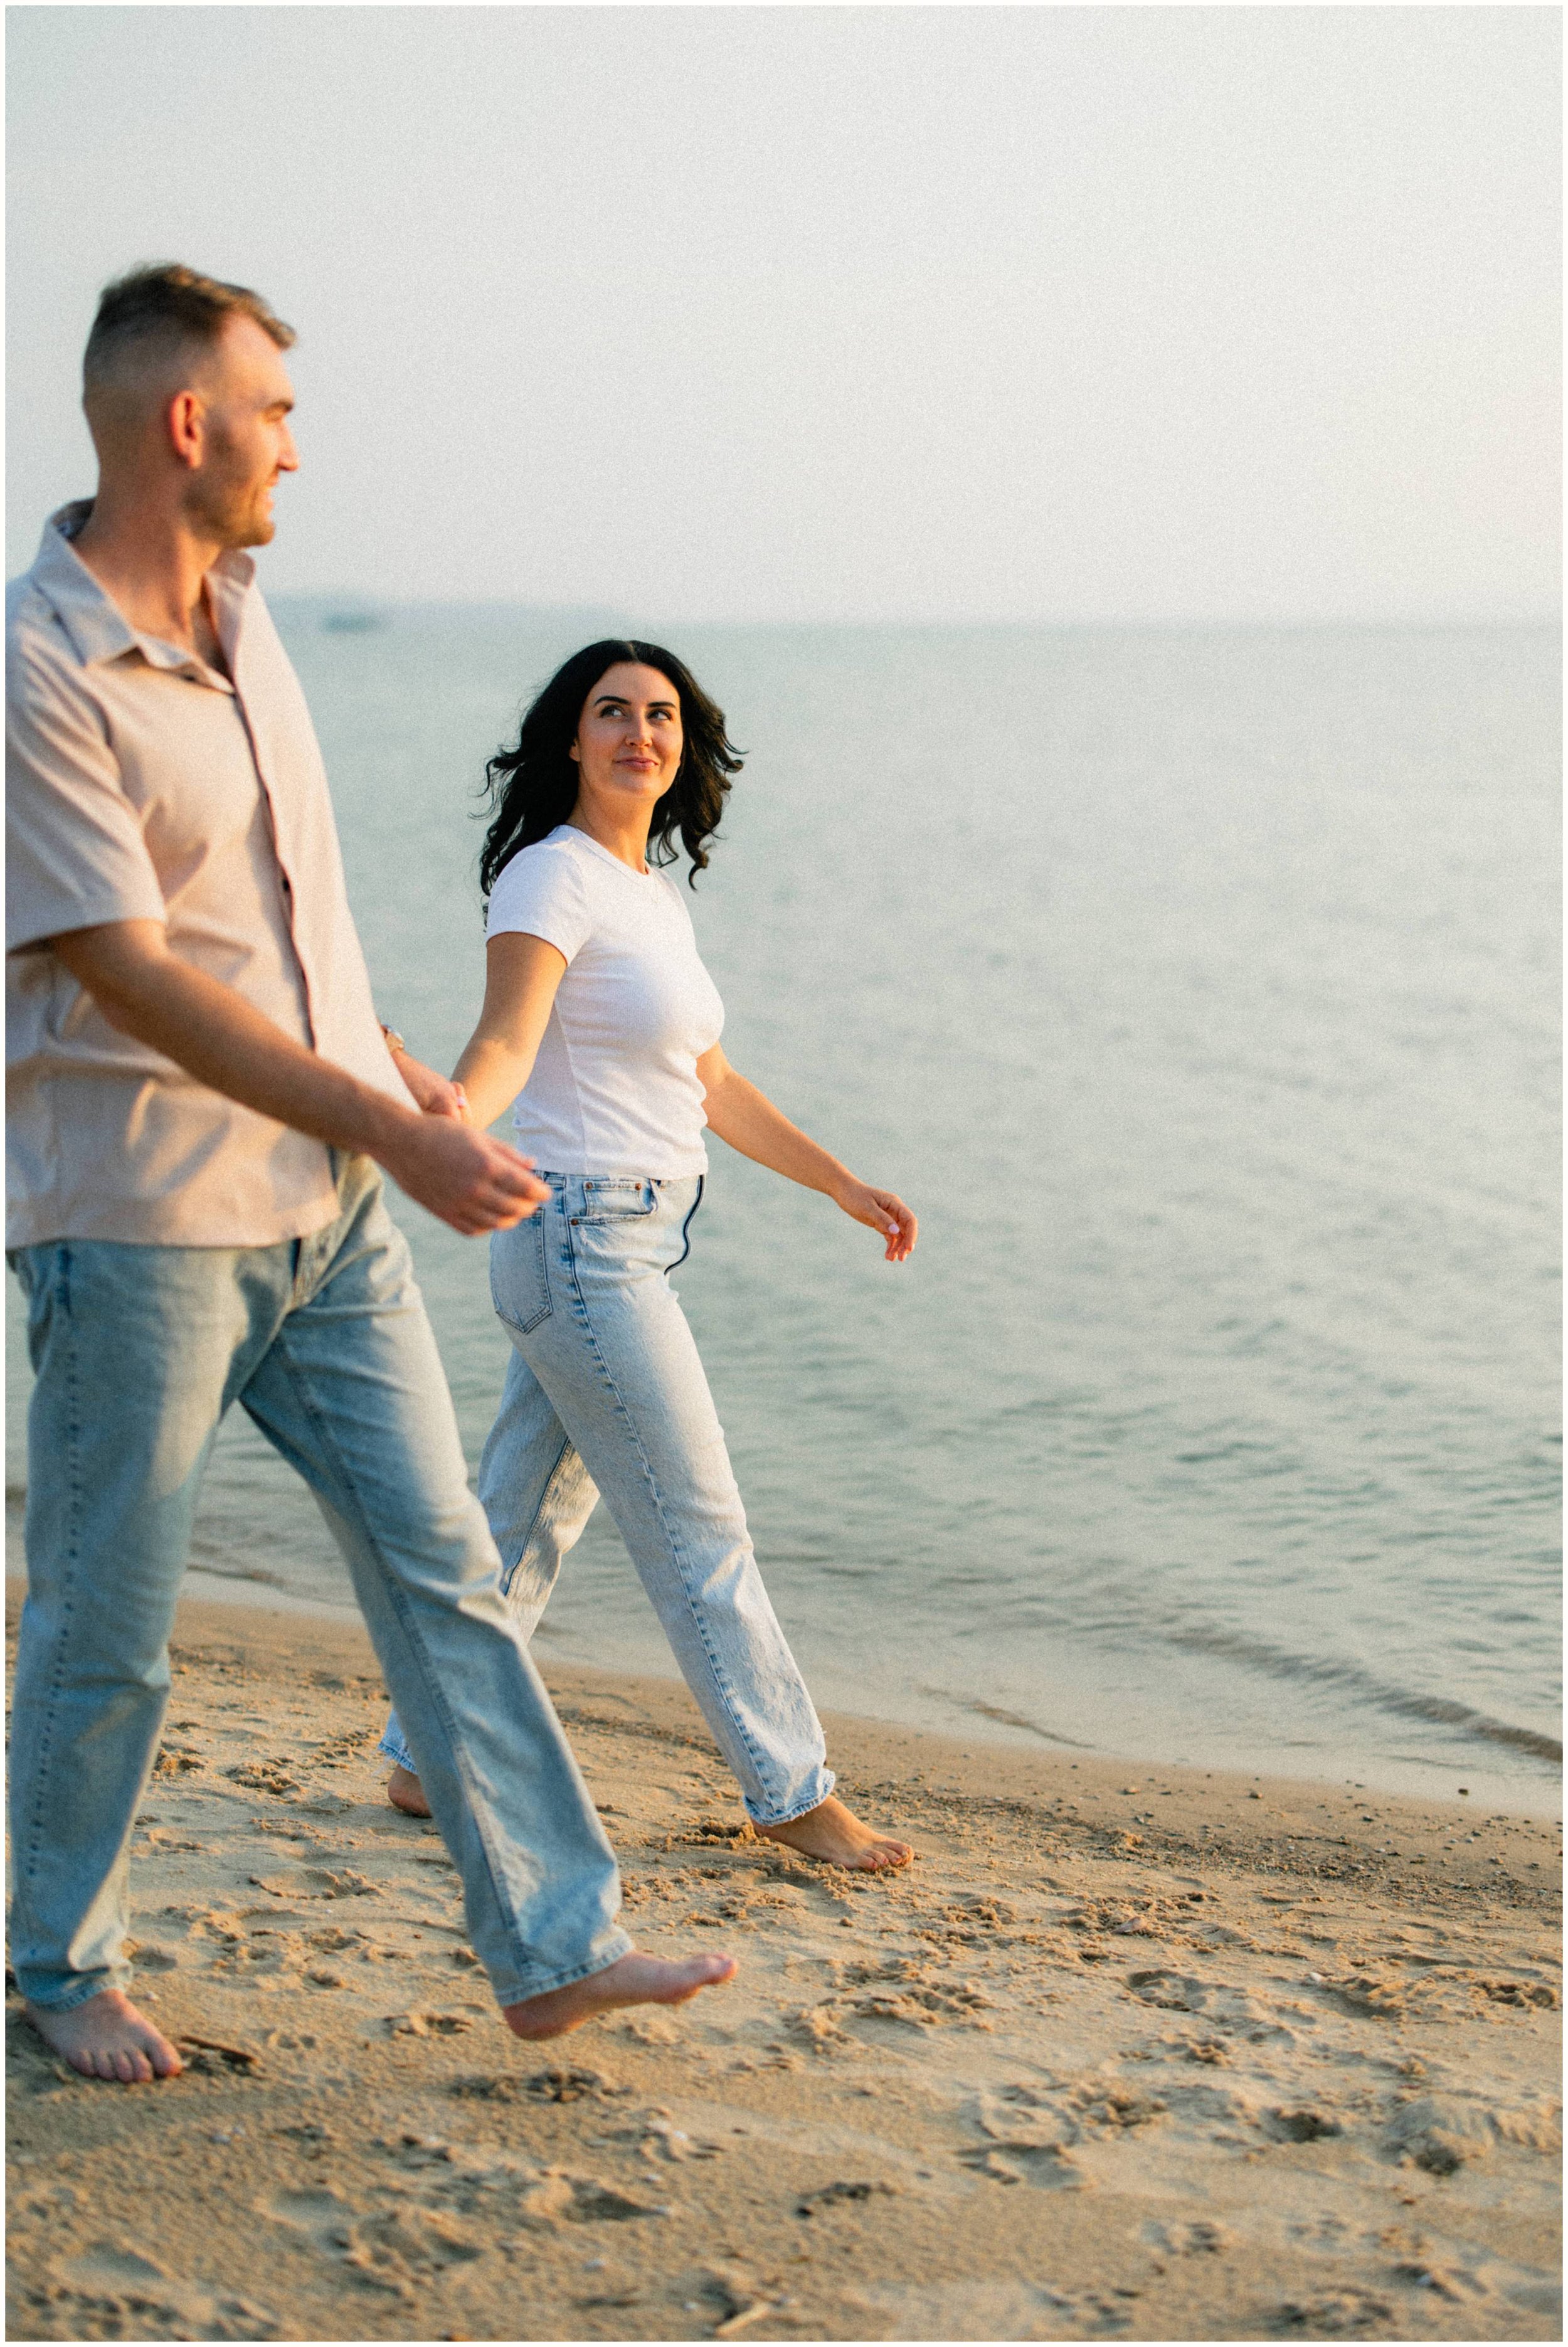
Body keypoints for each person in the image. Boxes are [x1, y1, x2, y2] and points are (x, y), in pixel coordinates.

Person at [5, 265, 736, 2085]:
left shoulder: (252, 627)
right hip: (143, 1222)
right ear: (189, 423)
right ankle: (55, 1958)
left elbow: (297, 946)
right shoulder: (40, 669)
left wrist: (413, 1101)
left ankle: (553, 1941)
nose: (294, 449)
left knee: (446, 1576)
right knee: (111, 1619)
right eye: (275, 410)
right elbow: (133, 973)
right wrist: (402, 1129)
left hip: (329, 1214)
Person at [378, 641, 918, 1872]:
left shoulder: (650, 895)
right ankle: (789, 1788)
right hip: (582, 1243)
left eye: (661, 713)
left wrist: (837, 1179)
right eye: (611, 711)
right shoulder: (548, 877)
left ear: (685, 743)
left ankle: (425, 1752)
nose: (640, 730)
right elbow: (508, 1041)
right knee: (696, 1525)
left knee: (520, 1526)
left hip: (620, 1240)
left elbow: (709, 1081)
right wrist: (451, 1107)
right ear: (570, 738)